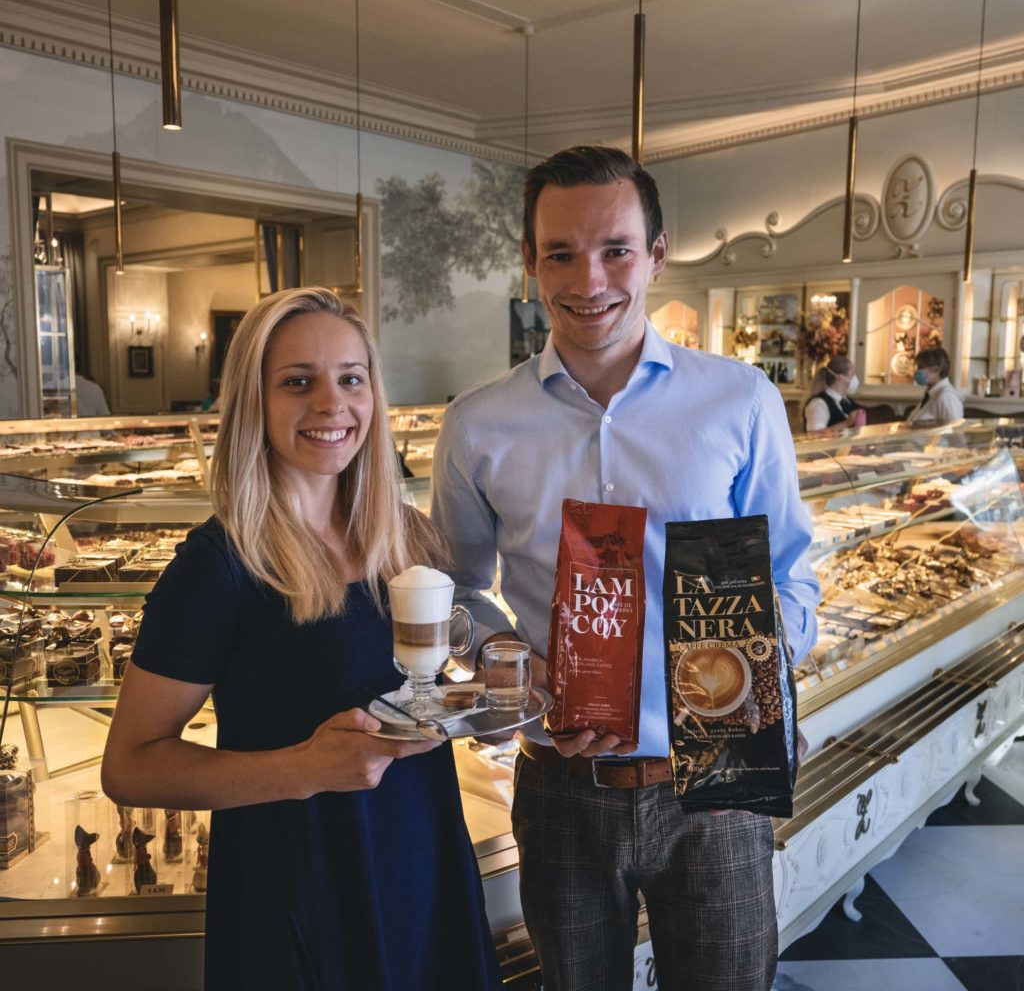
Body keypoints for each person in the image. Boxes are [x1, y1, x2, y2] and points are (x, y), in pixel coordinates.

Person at [431, 146, 820, 991]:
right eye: (560, 253)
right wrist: (509, 662)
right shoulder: (477, 425)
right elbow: (458, 589)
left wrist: (757, 667)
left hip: (718, 775)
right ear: (530, 262)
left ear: (657, 253)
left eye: (615, 250)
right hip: (561, 782)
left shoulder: (741, 398)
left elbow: (791, 571)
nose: (590, 278)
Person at [101, 287, 500, 991]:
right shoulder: (220, 563)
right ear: (254, 401)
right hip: (300, 886)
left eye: (351, 378)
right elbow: (130, 765)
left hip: (420, 855)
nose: (330, 404)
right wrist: (302, 768)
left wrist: (480, 693)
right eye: (297, 382)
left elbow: (418, 693)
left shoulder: (401, 537)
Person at [802, 355, 867, 433]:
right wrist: (847, 423)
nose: (855, 379)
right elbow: (814, 436)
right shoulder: (818, 404)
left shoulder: (848, 402)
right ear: (840, 377)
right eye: (852, 375)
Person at [906, 346, 964, 424]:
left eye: (920, 367)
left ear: (936, 370)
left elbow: (953, 431)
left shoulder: (946, 397)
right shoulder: (931, 395)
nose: (917, 371)